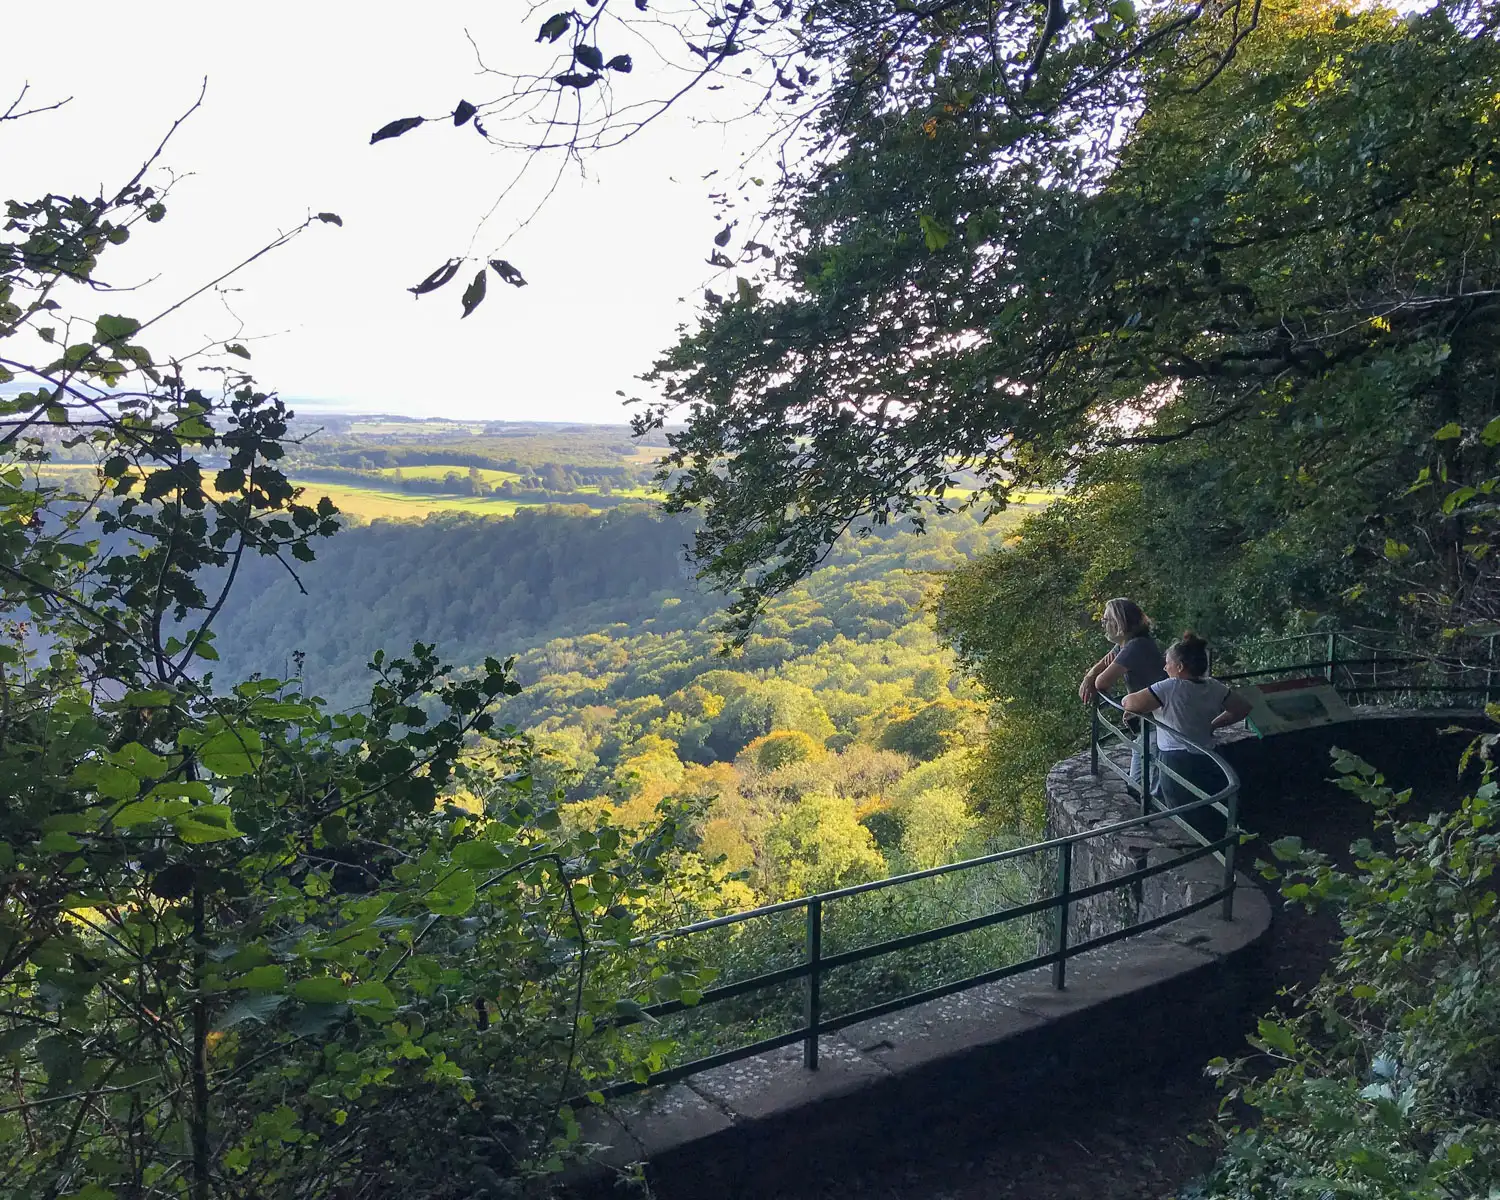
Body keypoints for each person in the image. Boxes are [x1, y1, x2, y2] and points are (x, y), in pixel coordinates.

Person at [1122, 631, 1252, 805]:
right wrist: (1213, 725)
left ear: (1180, 667)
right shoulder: (1213, 686)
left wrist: (1128, 702)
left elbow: (1130, 702)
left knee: (1180, 809)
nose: (1165, 668)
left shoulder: (1170, 687)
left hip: (1176, 759)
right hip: (1208, 755)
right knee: (1205, 806)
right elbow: (1243, 708)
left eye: (1168, 663)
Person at [1078, 598, 1166, 794]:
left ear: (1120, 623)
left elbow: (1102, 682)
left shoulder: (1135, 647)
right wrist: (1089, 676)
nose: (1103, 624)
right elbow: (1103, 664)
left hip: (1156, 725)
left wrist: (1095, 680)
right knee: (1140, 785)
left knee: (1144, 788)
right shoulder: (1129, 644)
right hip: (1149, 723)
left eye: (1106, 619)